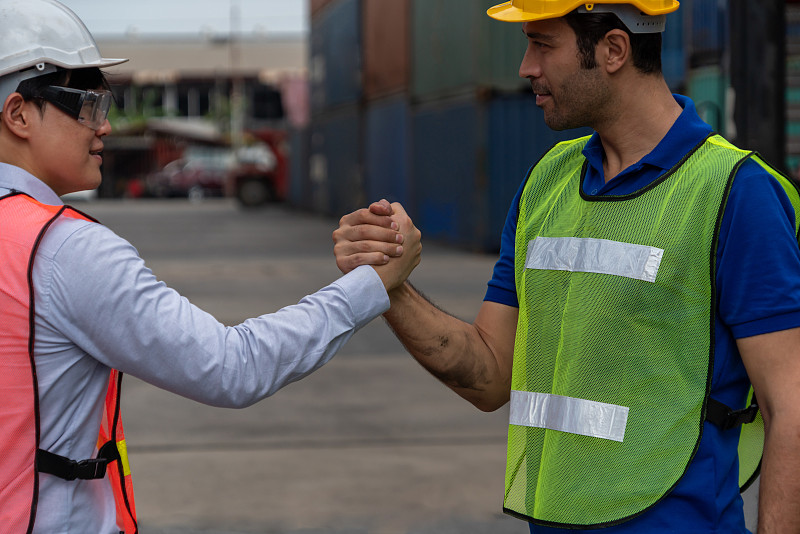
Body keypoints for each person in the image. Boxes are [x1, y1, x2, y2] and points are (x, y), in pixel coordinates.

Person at [333, 1, 800, 532]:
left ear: (614, 50)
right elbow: (490, 376)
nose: (526, 67)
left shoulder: (735, 193)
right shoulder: (546, 183)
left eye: (543, 44)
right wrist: (389, 287)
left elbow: (792, 408)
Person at [0, 1, 420, 532]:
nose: (103, 127)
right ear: (17, 114)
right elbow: (231, 367)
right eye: (86, 105)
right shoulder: (63, 250)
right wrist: (369, 284)